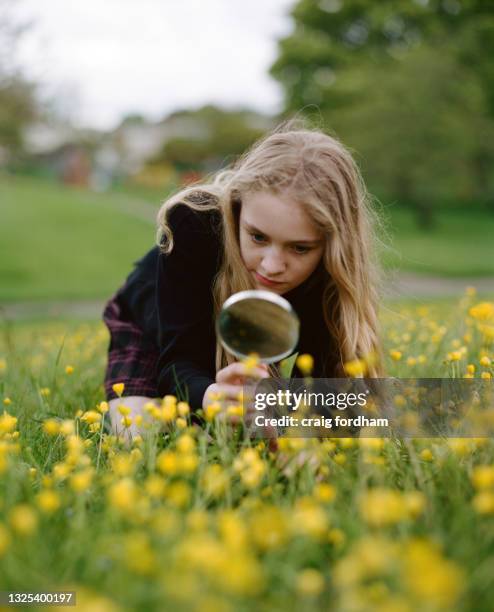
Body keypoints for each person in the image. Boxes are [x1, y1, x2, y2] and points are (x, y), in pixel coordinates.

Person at [102, 120, 382, 440]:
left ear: (333, 245)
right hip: (156, 330)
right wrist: (210, 397)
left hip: (245, 334)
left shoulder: (330, 276)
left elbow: (319, 394)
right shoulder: (193, 226)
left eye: (300, 248)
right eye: (258, 237)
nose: (272, 266)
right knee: (139, 438)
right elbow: (177, 360)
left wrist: (297, 427)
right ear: (237, 207)